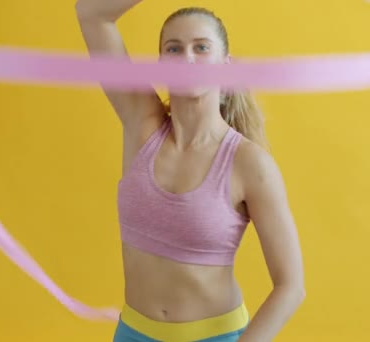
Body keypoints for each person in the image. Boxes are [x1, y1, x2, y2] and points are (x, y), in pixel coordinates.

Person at [75, 1, 305, 341]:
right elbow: (91, 13)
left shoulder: (249, 164)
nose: (188, 59)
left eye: (201, 47)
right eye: (174, 49)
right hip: (133, 333)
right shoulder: (142, 124)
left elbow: (291, 287)